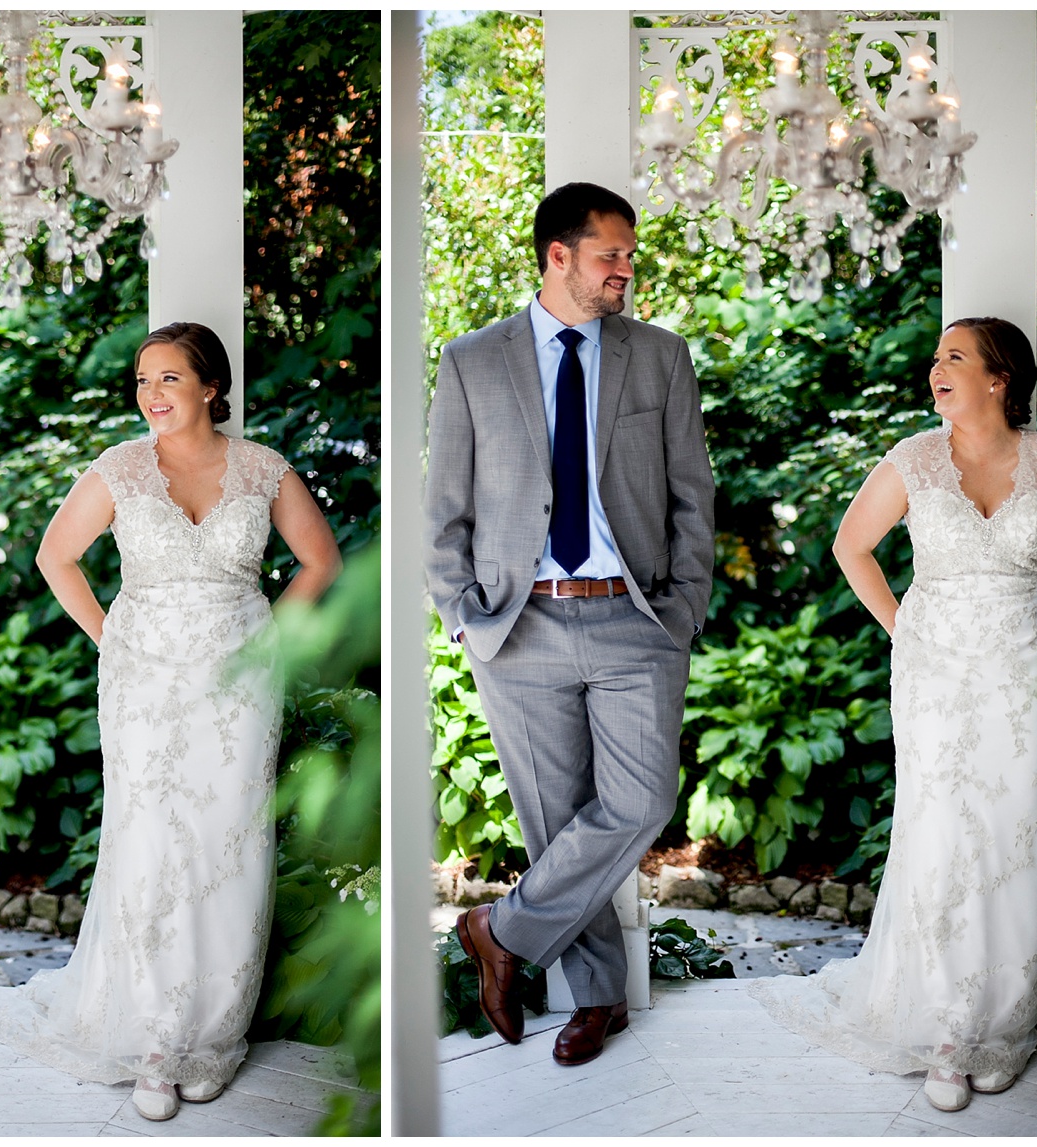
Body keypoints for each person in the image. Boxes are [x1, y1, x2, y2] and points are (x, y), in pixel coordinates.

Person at [0, 321, 340, 1121]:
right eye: (141, 380)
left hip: (239, 683)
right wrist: (111, 637)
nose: (151, 395)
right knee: (153, 840)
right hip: (144, 684)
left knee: (227, 842)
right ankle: (156, 1042)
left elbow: (321, 562)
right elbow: (54, 557)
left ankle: (214, 1035)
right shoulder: (121, 468)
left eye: (168, 378)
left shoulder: (263, 468)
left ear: (210, 387)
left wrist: (271, 633)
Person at [749, 316, 1037, 1112]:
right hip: (937, 676)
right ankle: (948, 1032)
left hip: (1031, 675)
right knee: (945, 831)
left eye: (954, 357)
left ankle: (1005, 1025)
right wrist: (905, 629)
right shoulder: (915, 458)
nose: (936, 369)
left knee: (1019, 832)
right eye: (935, 358)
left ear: (999, 377)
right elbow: (852, 547)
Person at [424, 182, 715, 1066]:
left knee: (641, 801)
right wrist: (465, 618)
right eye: (611, 255)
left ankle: (499, 930)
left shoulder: (659, 357)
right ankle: (595, 1000)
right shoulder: (473, 360)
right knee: (556, 823)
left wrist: (681, 613)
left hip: (634, 619)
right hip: (520, 626)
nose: (626, 268)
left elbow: (691, 497)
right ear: (560, 256)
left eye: (628, 255)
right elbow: (444, 510)